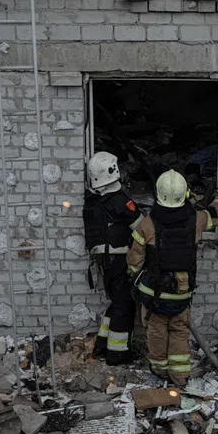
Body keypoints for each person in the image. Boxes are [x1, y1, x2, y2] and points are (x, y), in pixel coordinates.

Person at [127, 168, 218, 386]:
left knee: (156, 331)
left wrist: (134, 277)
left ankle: (159, 372)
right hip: (181, 291)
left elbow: (134, 261)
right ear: (184, 194)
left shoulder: (146, 224)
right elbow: (217, 212)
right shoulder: (195, 220)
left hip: (153, 292)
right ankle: (179, 377)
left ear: (158, 195)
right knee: (178, 331)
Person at [83, 152, 142, 365]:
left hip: (104, 263)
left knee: (116, 303)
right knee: (124, 305)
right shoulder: (120, 201)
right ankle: (117, 354)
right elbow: (142, 229)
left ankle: (101, 345)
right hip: (119, 261)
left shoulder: (92, 201)